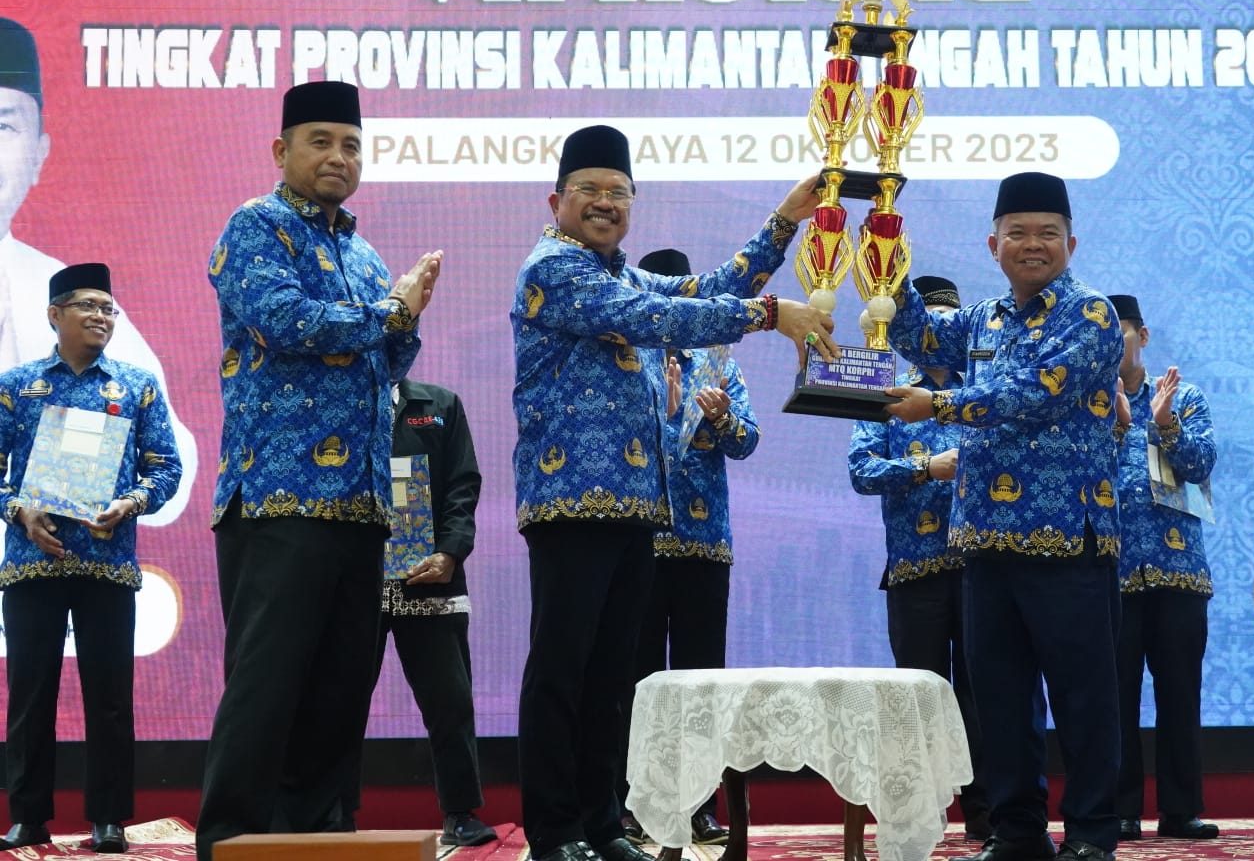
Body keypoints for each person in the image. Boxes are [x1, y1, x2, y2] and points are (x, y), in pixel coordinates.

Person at [512, 124, 834, 861]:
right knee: (563, 670)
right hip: (569, 501)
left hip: (639, 510)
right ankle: (554, 832)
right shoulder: (552, 270)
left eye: (617, 192)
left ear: (632, 203)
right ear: (557, 200)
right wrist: (770, 315)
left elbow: (709, 289)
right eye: (588, 191)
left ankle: (600, 825)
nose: (603, 203)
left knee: (609, 682)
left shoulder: (624, 273)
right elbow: (654, 320)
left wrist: (786, 218)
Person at [195, 81, 443, 860]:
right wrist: (394, 314)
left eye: (351, 144)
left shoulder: (365, 254)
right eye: (321, 141)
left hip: (362, 506)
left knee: (340, 695)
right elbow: (289, 323)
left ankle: (320, 842)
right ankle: (231, 844)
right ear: (282, 151)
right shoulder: (256, 227)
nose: (339, 157)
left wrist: (402, 319)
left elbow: (389, 357)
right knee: (268, 690)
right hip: (277, 499)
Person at [884, 172, 1124, 861]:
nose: (1032, 245)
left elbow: (1033, 393)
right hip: (985, 541)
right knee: (1001, 702)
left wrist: (940, 406)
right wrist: (887, 264)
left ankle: (1089, 835)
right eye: (1017, 232)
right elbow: (917, 338)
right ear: (993, 244)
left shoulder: (1092, 315)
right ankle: (1018, 834)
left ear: (1071, 243)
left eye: (1047, 233)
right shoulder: (984, 316)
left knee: (1083, 701)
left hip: (1067, 542)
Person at [0, 262, 183, 853]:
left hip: (108, 563)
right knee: (31, 695)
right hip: (34, 562)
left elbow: (168, 468)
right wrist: (18, 510)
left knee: (109, 696)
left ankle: (109, 819)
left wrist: (133, 499)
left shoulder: (135, 385)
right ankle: (28, 817)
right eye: (88, 305)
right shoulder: (17, 384)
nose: (102, 316)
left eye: (109, 308)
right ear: (54, 315)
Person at [0, 17, 195, 531]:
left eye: (3, 126)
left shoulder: (70, 295)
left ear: (38, 154)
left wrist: (84, 450)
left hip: (40, 569)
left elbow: (173, 470)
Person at [617, 247, 760, 848]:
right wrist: (665, 417)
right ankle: (636, 806)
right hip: (639, 540)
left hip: (704, 545)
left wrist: (722, 420)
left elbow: (748, 441)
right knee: (639, 679)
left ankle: (700, 805)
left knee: (702, 681)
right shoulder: (629, 356)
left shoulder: (717, 360)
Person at [847, 274, 990, 842]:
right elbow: (861, 472)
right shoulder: (882, 392)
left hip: (981, 563)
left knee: (985, 694)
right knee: (914, 700)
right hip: (913, 568)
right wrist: (926, 469)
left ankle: (989, 816)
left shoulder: (982, 391)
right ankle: (916, 815)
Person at [1106, 294, 1218, 843]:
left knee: (1180, 693)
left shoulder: (1184, 394)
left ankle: (1181, 809)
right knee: (1115, 696)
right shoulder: (1086, 402)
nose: (1113, 343)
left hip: (1178, 569)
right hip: (1112, 572)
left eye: (1121, 332)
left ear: (1142, 337)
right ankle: (1121, 808)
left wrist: (1164, 424)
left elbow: (1200, 464)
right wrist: (1120, 429)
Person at [374, 376, 496, 847]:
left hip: (430, 576)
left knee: (450, 701)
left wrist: (450, 552)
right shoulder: (338, 400)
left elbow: (463, 485)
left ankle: (461, 812)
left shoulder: (440, 404)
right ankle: (332, 811)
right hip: (355, 580)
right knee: (337, 702)